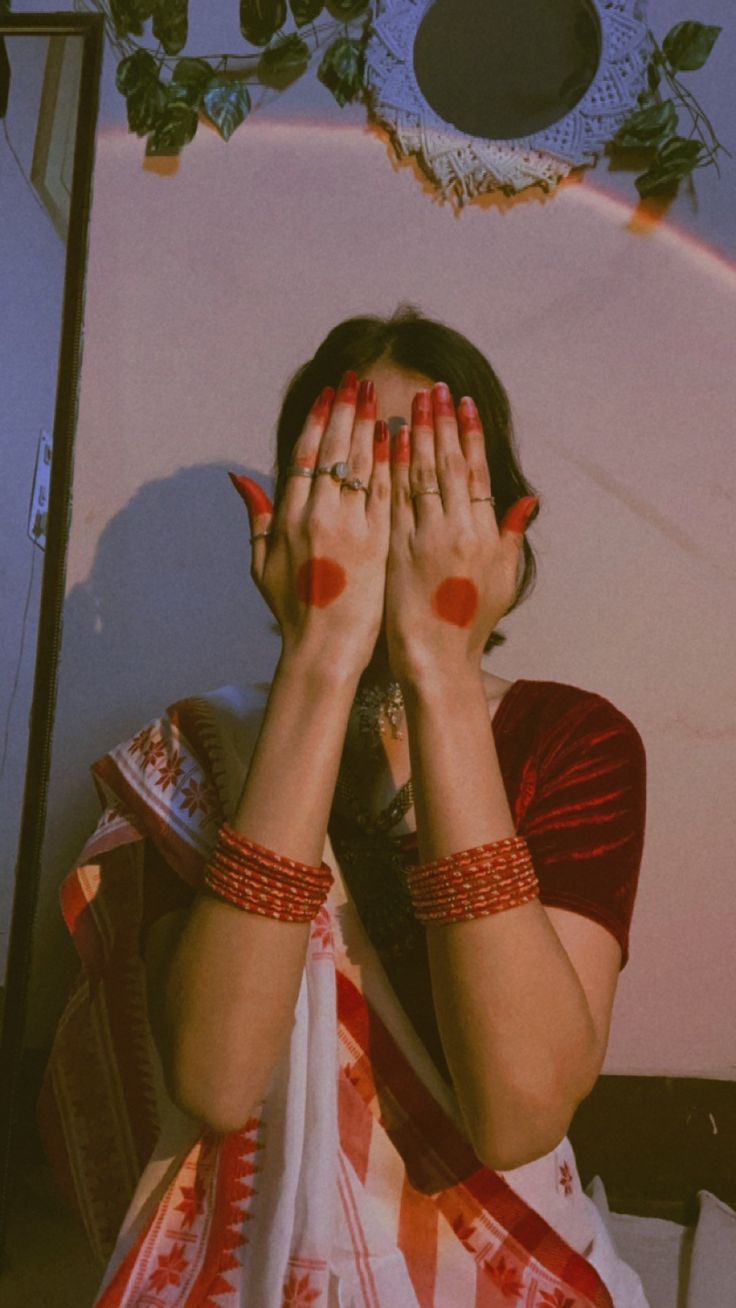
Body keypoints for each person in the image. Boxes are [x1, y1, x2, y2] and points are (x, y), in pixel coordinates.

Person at [38, 306, 649, 1306]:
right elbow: (212, 1084)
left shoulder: (570, 740)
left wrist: (442, 672)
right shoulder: (194, 748)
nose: (391, 518)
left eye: (430, 482)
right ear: (291, 514)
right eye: (353, 481)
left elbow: (518, 1116)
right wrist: (318, 657)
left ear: (492, 523)